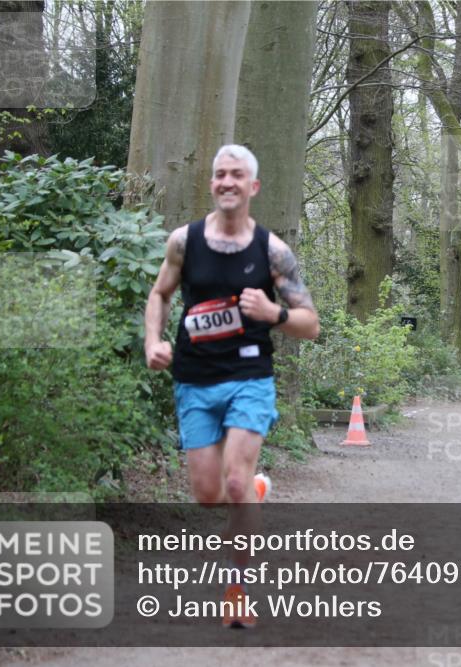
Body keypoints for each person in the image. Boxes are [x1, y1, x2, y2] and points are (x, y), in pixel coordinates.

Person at [144, 144, 319, 628]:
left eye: (236, 175)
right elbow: (159, 295)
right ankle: (255, 492)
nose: (226, 182)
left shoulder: (272, 251)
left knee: (236, 482)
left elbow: (310, 323)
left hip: (249, 377)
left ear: (253, 187)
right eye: (220, 174)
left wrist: (273, 313)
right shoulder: (184, 241)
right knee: (207, 494)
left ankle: (237, 592)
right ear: (212, 184)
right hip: (195, 380)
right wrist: (153, 341)